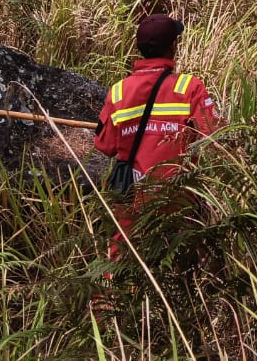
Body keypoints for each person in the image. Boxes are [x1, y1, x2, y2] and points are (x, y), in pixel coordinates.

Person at [94, 14, 222, 259]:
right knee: (177, 262)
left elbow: (104, 145)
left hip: (130, 193)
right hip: (177, 195)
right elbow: (215, 135)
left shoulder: (118, 92)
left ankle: (110, 297)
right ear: (173, 47)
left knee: (122, 260)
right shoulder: (189, 88)